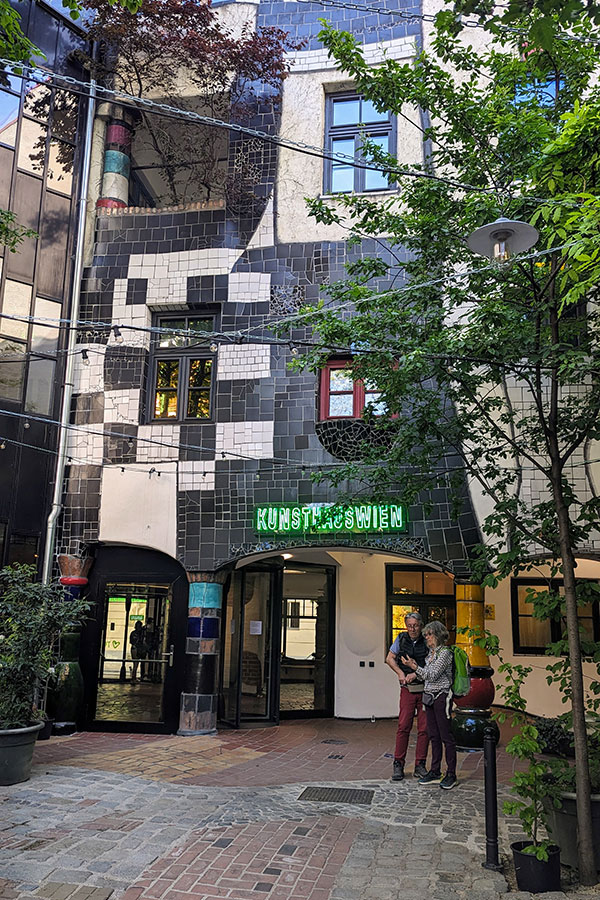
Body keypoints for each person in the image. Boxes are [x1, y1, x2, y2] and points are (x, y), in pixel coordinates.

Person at [401, 619, 458, 790]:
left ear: (438, 635)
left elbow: (432, 675)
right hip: (429, 697)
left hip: (441, 696)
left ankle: (451, 774)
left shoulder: (445, 654)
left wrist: (414, 667)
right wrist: (414, 672)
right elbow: (425, 675)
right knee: (433, 735)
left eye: (429, 634)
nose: (427, 638)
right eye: (425, 635)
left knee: (446, 736)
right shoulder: (430, 654)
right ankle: (435, 770)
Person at [385, 612, 429, 782]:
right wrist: (401, 673)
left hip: (425, 689)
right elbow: (389, 658)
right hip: (407, 690)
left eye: (415, 625)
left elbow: (431, 663)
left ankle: (420, 764)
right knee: (403, 726)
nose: (412, 629)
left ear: (421, 625)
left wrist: (416, 674)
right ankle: (398, 763)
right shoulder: (401, 639)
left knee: (424, 729)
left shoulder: (427, 639)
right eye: (409, 625)